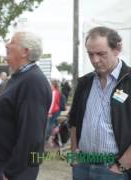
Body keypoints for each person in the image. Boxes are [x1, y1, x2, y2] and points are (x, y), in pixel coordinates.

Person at [0, 31, 52, 180]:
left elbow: (31, 135)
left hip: (14, 170)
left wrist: (13, 172)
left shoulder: (33, 82)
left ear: (25, 52)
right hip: (3, 162)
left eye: (12, 42)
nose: (7, 45)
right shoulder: (20, 77)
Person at [69, 26, 131, 179]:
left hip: (114, 168)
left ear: (117, 48)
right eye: (90, 54)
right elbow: (74, 121)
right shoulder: (85, 82)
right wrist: (74, 154)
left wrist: (122, 164)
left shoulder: (129, 82)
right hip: (82, 164)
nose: (95, 60)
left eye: (101, 54)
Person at [45, 79, 61, 146]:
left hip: (54, 111)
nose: (49, 85)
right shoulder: (57, 91)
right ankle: (53, 140)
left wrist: (49, 112)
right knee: (55, 126)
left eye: (50, 84)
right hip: (56, 111)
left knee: (49, 126)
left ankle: (46, 139)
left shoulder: (54, 92)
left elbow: (52, 103)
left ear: (53, 85)